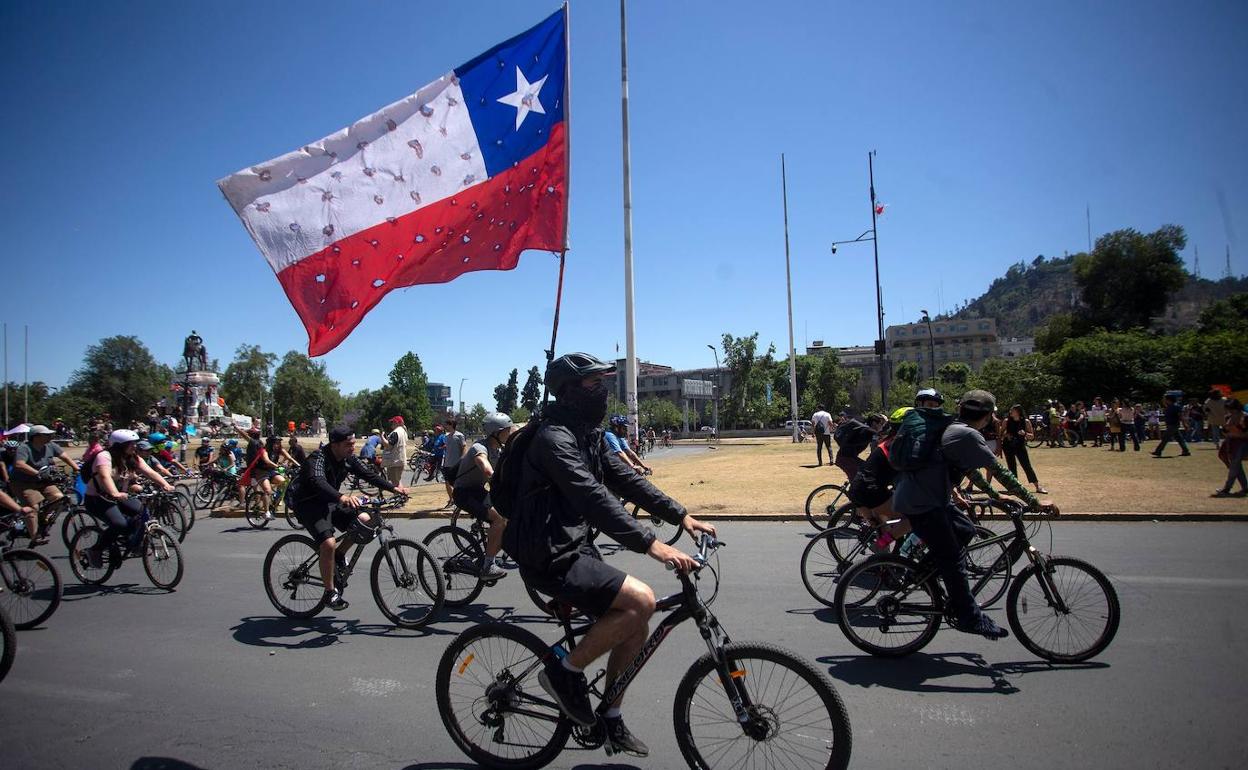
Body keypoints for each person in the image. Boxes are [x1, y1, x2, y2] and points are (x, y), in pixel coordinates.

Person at [503, 353, 716, 756]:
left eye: (603, 381)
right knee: (642, 600)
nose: (601, 391)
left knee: (636, 622)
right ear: (567, 391)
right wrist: (651, 543)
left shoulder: (588, 434)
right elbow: (592, 495)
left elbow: (625, 480)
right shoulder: (553, 439)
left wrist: (681, 514)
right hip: (546, 554)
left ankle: (611, 717)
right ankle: (564, 673)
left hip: (575, 546)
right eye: (592, 383)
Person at [893, 390, 1049, 640]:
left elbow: (971, 471)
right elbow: (997, 470)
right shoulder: (965, 433)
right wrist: (1034, 501)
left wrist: (996, 496)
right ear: (988, 416)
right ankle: (969, 617)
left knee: (966, 530)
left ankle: (924, 573)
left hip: (929, 498)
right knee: (953, 558)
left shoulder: (955, 429)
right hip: (923, 502)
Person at [286, 425, 408, 611]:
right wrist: (341, 497)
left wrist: (394, 488)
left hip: (330, 501)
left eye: (353, 444)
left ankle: (340, 554)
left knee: (365, 520)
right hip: (308, 504)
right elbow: (318, 481)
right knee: (328, 544)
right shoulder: (318, 457)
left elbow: (367, 474)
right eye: (348, 444)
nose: (352, 448)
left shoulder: (347, 458)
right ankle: (330, 592)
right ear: (334, 445)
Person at [84, 429, 176, 562]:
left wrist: (165, 484)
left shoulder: (133, 458)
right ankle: (95, 550)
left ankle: (134, 544)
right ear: (118, 445)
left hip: (122, 496)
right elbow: (104, 476)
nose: (134, 446)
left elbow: (150, 472)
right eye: (130, 443)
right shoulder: (104, 456)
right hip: (98, 498)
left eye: (135, 443)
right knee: (120, 524)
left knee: (144, 514)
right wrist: (114, 493)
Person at [451, 412, 515, 579]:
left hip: (478, 491)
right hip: (463, 492)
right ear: (496, 432)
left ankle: (494, 542)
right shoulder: (480, 447)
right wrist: (490, 472)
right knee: (499, 519)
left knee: (509, 514)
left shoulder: (499, 450)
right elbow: (483, 464)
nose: (509, 434)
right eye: (507, 431)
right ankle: (488, 565)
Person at [10, 424, 79, 547]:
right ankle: (35, 537)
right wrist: (38, 473)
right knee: (33, 507)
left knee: (59, 498)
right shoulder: (25, 448)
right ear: (36, 437)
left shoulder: (50, 445)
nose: (50, 436)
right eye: (46, 434)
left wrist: (76, 468)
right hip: (23, 483)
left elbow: (64, 456)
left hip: (43, 482)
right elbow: (19, 464)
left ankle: (42, 518)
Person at [1001, 405, 1047, 493]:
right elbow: (1000, 434)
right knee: (1012, 467)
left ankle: (1038, 487)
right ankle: (1014, 487)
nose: (1010, 412)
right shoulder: (1006, 421)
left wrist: (1025, 433)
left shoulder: (1026, 422)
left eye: (1012, 410)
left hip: (1020, 446)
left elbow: (1032, 437)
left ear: (1018, 412)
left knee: (1027, 466)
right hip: (1008, 446)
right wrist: (1007, 435)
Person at [833, 412, 887, 485]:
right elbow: (881, 437)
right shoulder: (868, 431)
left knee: (868, 470)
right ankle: (854, 494)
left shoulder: (865, 430)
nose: (882, 427)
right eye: (881, 424)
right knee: (858, 483)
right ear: (874, 423)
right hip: (846, 460)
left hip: (849, 458)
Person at [1213, 400, 1247, 497]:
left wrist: (1234, 431)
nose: (1230, 412)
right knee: (1237, 467)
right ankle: (1245, 488)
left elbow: (1245, 433)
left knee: (1234, 467)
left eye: (1232, 410)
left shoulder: (1245, 417)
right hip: (1231, 443)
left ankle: (1227, 488)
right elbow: (1224, 431)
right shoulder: (1228, 417)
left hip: (1242, 444)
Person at [1153, 392, 1191, 458]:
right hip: (1171, 425)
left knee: (1165, 438)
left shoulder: (1176, 407)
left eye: (1166, 399)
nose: (1164, 400)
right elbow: (1163, 402)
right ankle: (1186, 451)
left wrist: (1185, 424)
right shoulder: (1170, 406)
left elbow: (1180, 416)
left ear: (1169, 400)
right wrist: (1164, 397)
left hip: (1173, 425)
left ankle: (1158, 451)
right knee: (1179, 439)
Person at [440, 418, 465, 505]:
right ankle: (451, 499)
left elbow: (464, 447)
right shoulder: (446, 436)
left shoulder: (459, 435)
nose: (445, 426)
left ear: (451, 425)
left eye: (446, 424)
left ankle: (460, 498)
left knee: (456, 483)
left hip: (456, 463)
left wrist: (462, 459)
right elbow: (448, 447)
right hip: (447, 462)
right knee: (447, 482)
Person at [381, 415, 408, 486]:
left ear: (397, 422)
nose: (391, 424)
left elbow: (389, 446)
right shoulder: (403, 432)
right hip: (400, 459)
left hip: (394, 460)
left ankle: (399, 496)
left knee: (395, 482)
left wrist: (382, 437)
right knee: (397, 481)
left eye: (393, 422)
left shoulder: (395, 432)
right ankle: (402, 496)